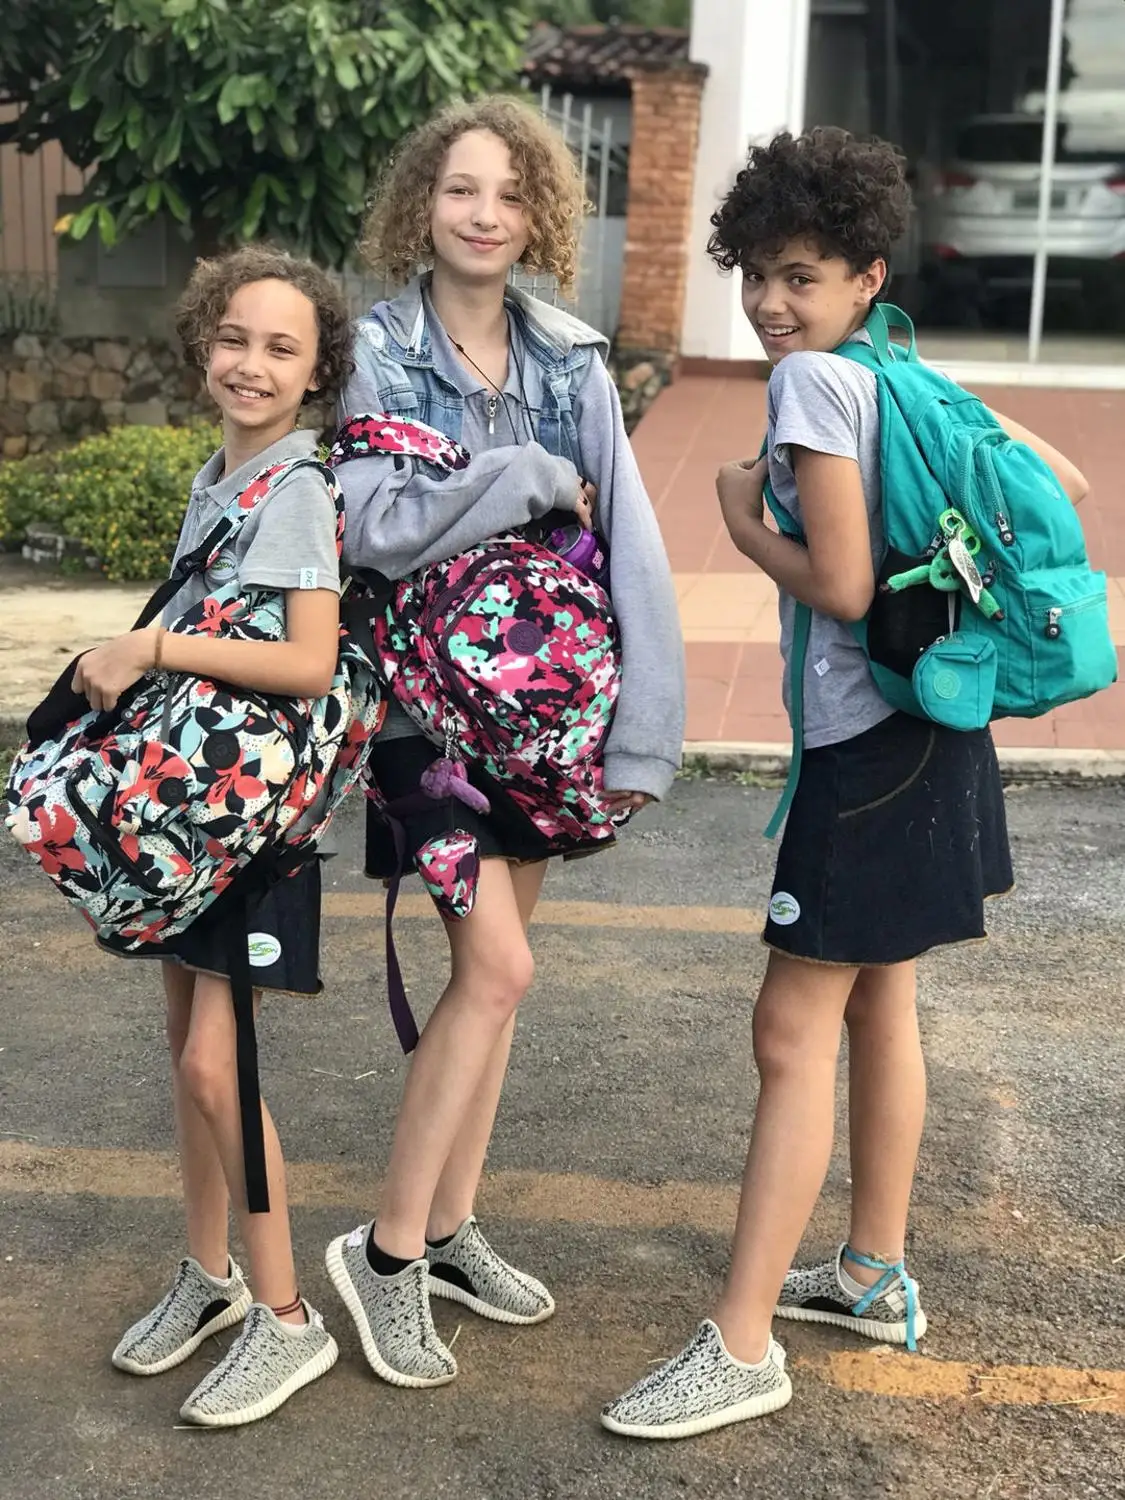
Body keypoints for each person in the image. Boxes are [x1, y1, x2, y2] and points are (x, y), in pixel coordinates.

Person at [602, 127, 1088, 1441]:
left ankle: (741, 1342)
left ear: (866, 275)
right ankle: (871, 1271)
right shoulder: (896, 366)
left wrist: (737, 519)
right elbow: (1067, 479)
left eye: (801, 276)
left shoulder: (816, 386)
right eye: (758, 273)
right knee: (881, 1003)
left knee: (790, 1031)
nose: (771, 303)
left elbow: (842, 586)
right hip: (938, 729)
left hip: (867, 752)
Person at [323, 94, 685, 1388]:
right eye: (460, 189)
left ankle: (451, 1223)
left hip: (543, 721)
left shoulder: (573, 362)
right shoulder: (375, 352)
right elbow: (370, 520)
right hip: (423, 723)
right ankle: (385, 1254)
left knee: (497, 989)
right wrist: (527, 478)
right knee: (498, 970)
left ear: (540, 216)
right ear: (421, 202)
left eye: (510, 194)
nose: (483, 214)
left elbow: (631, 542)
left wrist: (643, 741)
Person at [80, 245, 355, 1426]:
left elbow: (308, 660)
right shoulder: (225, 476)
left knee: (213, 1065)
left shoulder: (293, 489)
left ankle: (287, 1318)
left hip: (250, 820)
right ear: (203, 345)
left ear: (317, 373)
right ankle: (210, 1276)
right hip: (197, 809)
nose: (252, 364)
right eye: (235, 339)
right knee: (183, 1051)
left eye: (282, 348)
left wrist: (150, 645)